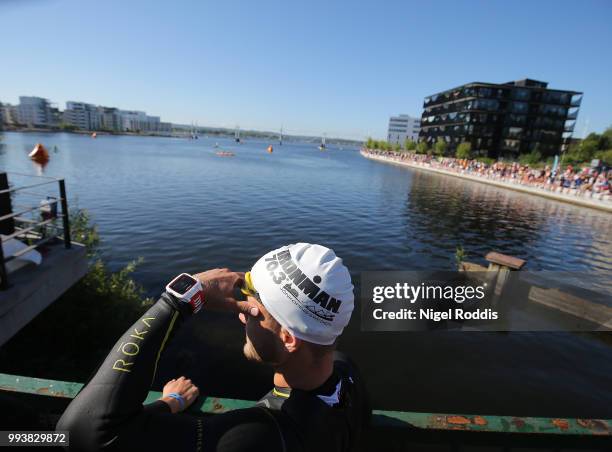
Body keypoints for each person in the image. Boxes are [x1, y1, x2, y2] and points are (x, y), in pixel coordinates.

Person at [57, 243, 369, 452]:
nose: (240, 312)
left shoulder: (259, 436)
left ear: (288, 339)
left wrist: (179, 300)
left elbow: (79, 433)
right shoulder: (345, 371)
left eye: (252, 306)